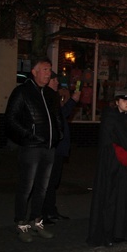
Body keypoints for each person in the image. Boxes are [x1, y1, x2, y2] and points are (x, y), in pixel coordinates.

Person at [4, 57, 64, 243]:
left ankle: (36, 220)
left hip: (48, 147)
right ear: (35, 71)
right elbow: (11, 119)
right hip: (31, 148)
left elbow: (56, 117)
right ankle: (21, 222)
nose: (49, 73)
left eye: (50, 70)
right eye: (45, 69)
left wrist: (58, 134)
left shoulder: (49, 94)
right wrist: (29, 136)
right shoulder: (22, 92)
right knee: (26, 186)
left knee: (42, 187)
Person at [87, 89, 127, 247]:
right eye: (123, 100)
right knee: (114, 201)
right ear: (116, 102)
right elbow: (111, 145)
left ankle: (126, 231)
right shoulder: (110, 118)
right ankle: (112, 233)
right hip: (116, 168)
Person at [43, 71, 80, 224]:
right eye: (55, 80)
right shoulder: (47, 97)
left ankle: (51, 211)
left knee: (53, 181)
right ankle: (45, 213)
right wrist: (72, 101)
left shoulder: (52, 96)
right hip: (53, 148)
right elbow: (59, 115)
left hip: (58, 148)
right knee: (49, 181)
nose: (57, 83)